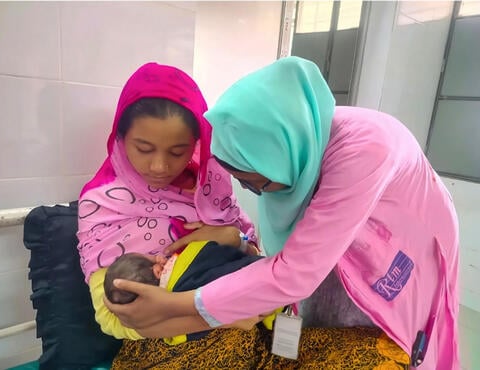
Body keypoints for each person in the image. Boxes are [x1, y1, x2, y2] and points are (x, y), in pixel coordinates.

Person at [104, 56, 460, 370]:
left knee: (381, 332)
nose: (255, 194)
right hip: (294, 279)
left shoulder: (367, 149)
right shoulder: (296, 148)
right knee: (314, 321)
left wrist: (174, 305)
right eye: (243, 183)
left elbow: (293, 273)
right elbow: (282, 266)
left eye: (257, 183)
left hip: (399, 240)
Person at [77, 62, 261, 341]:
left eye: (177, 151)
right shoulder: (104, 204)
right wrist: (221, 319)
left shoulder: (209, 191)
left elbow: (257, 267)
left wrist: (234, 238)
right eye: (144, 149)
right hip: (163, 346)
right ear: (121, 139)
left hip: (249, 325)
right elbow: (112, 317)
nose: (160, 166)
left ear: (198, 145)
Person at [104, 241, 279, 345]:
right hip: (264, 270)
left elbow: (185, 334)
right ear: (157, 270)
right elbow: (220, 249)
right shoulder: (189, 249)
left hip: (262, 304)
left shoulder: (170, 309)